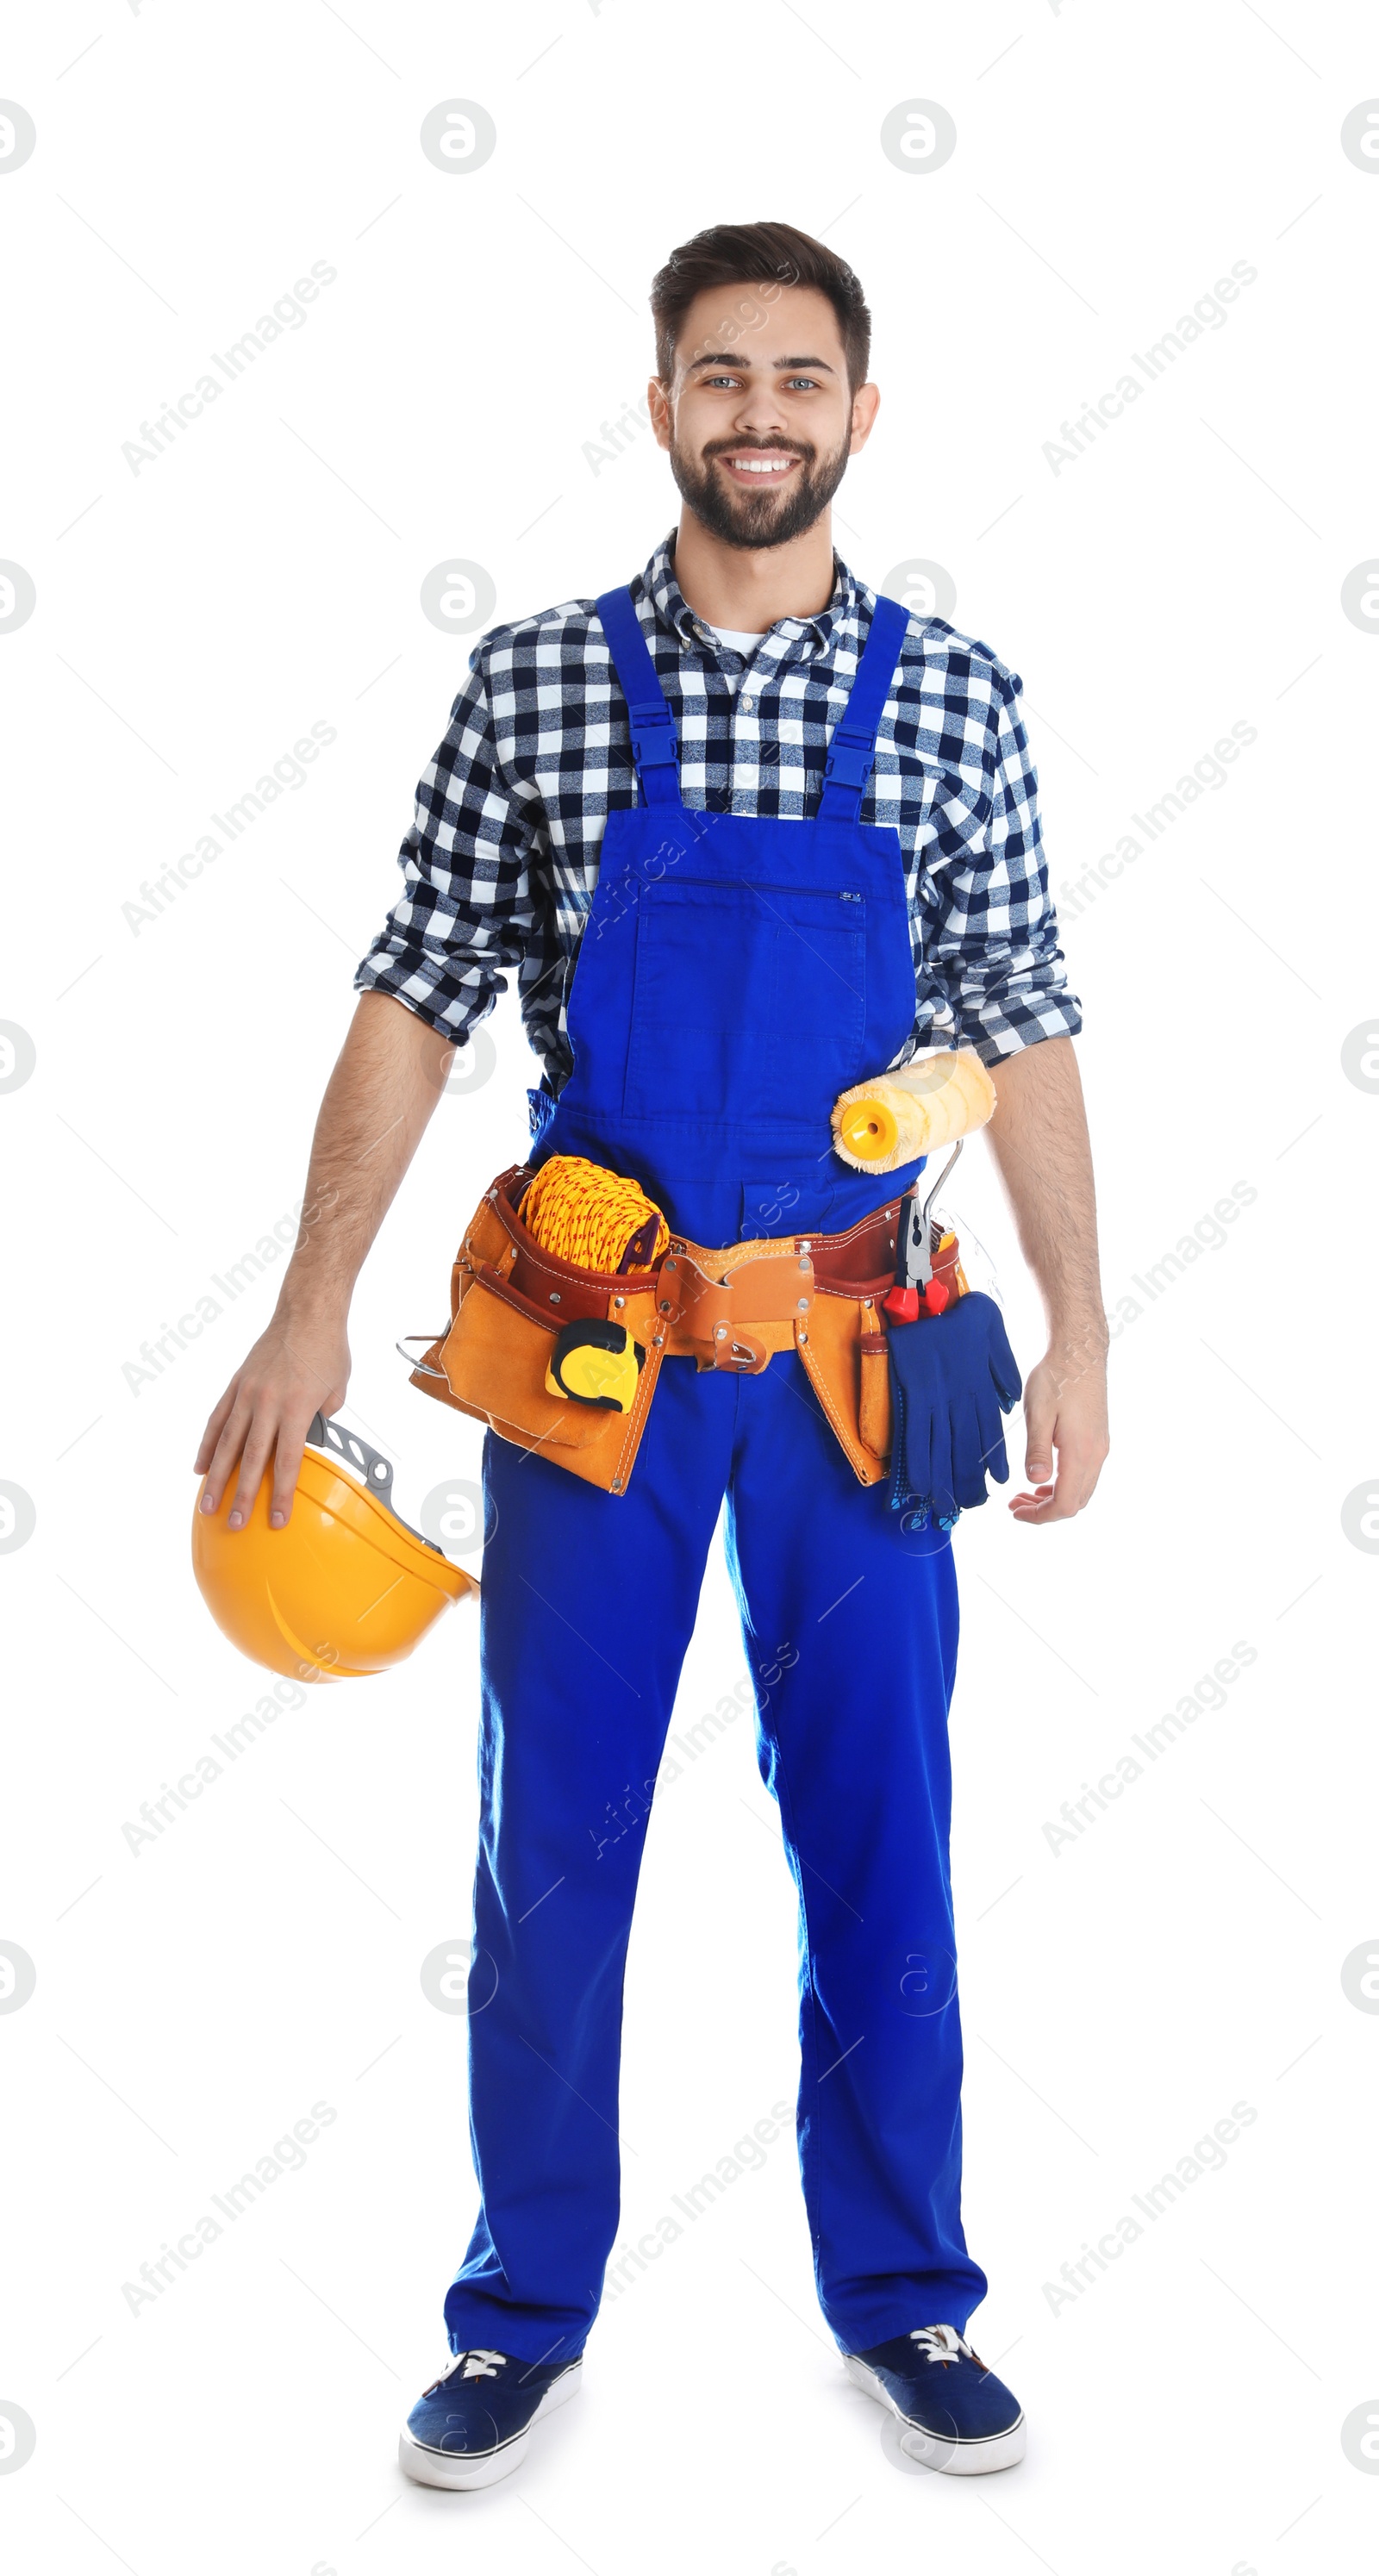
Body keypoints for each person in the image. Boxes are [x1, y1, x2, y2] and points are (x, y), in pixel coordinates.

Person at [196, 220, 1109, 2486]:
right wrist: (310, 1299)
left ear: (863, 415)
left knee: (884, 1831)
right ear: (663, 404)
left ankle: (910, 2300)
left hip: (868, 1363)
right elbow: (412, 998)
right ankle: (521, 2313)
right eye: (721, 376)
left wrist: (1084, 1325)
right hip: (593, 1364)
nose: (762, 414)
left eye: (803, 377)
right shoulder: (533, 687)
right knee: (556, 1848)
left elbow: (1021, 1023)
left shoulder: (960, 700)